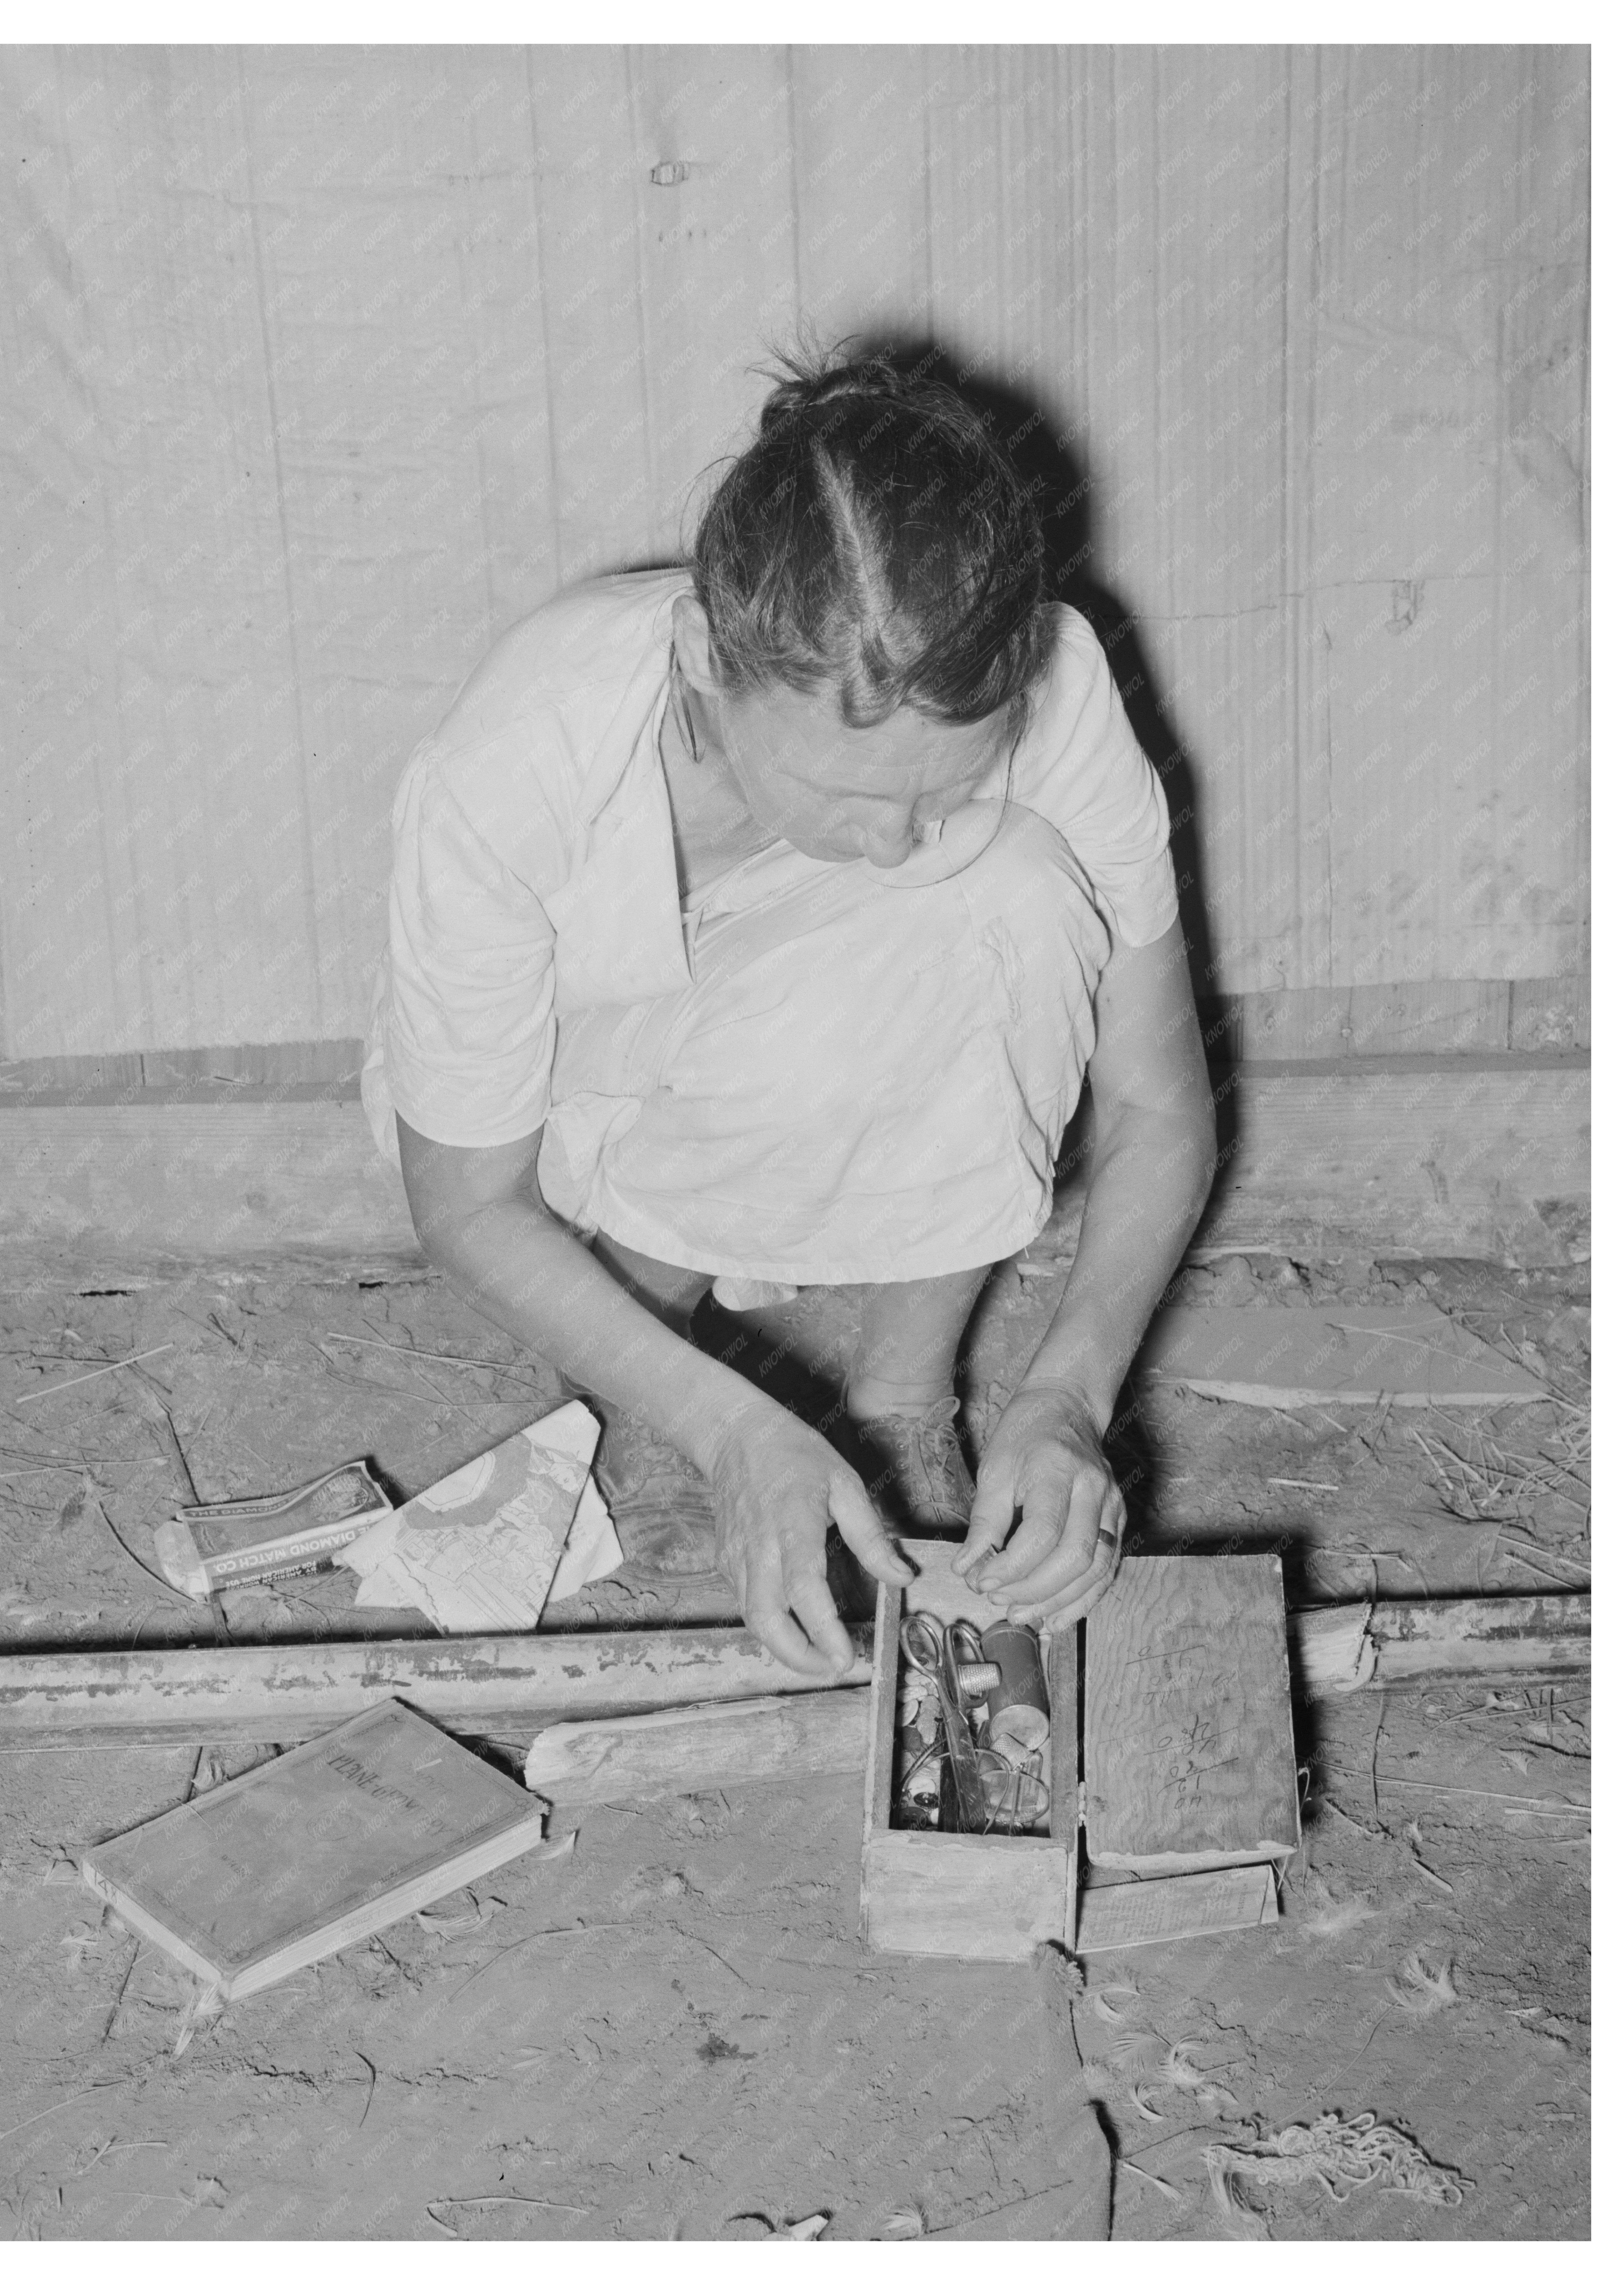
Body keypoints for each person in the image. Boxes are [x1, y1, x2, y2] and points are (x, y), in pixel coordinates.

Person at [362, 347, 1216, 1680]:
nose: (896, 842)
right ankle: (643, 1376)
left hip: (796, 1009)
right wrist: (731, 1433)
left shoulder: (1055, 684)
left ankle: (903, 1393)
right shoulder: (519, 761)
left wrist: (1067, 1394)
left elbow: (1159, 1103)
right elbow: (468, 1203)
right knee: (906, 930)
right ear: (705, 654)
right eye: (846, 793)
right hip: (575, 1107)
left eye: (948, 785)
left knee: (1010, 892)